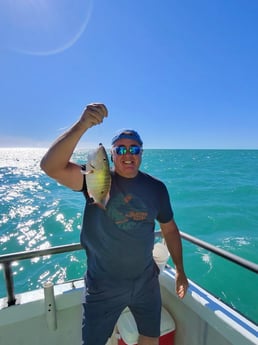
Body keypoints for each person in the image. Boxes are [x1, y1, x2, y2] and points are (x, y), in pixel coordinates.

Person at [40, 103, 188, 345]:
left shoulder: (156, 188)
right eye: (120, 150)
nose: (127, 155)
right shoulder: (95, 178)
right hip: (102, 285)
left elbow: (169, 229)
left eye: (134, 149)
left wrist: (180, 271)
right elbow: (50, 167)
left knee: (151, 339)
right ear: (111, 154)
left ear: (141, 153)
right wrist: (82, 125)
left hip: (146, 282)